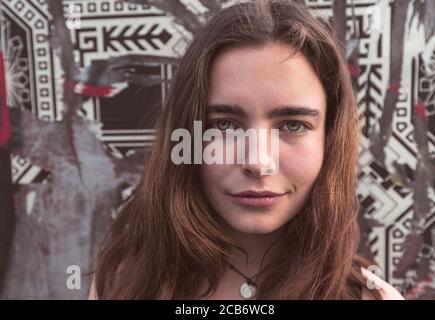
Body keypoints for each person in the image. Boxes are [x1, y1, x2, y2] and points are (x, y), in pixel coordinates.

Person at [89, 0, 404, 300]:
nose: (258, 162)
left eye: (292, 125)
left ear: (330, 139)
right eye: (224, 126)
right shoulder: (123, 283)